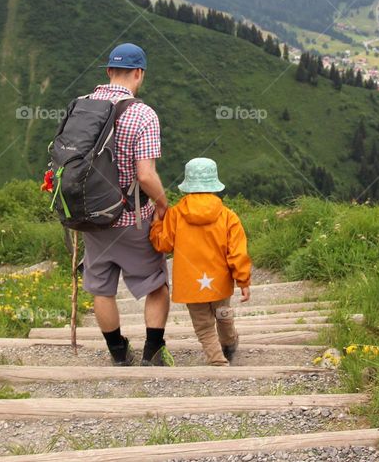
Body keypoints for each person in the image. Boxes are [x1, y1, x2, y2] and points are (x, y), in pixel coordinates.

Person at [80, 43, 172, 366]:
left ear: (108, 72)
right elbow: (145, 176)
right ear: (139, 73)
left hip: (92, 219)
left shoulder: (83, 106)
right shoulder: (143, 115)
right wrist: (162, 204)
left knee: (102, 289)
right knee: (157, 285)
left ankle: (119, 354)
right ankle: (153, 354)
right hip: (133, 220)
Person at [149, 158, 252, 366]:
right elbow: (237, 253)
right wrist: (243, 281)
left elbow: (163, 245)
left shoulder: (175, 214)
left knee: (203, 325)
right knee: (223, 313)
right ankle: (229, 343)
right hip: (219, 282)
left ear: (187, 186)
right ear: (214, 185)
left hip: (190, 284)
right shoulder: (228, 216)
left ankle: (217, 361)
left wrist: (157, 224)